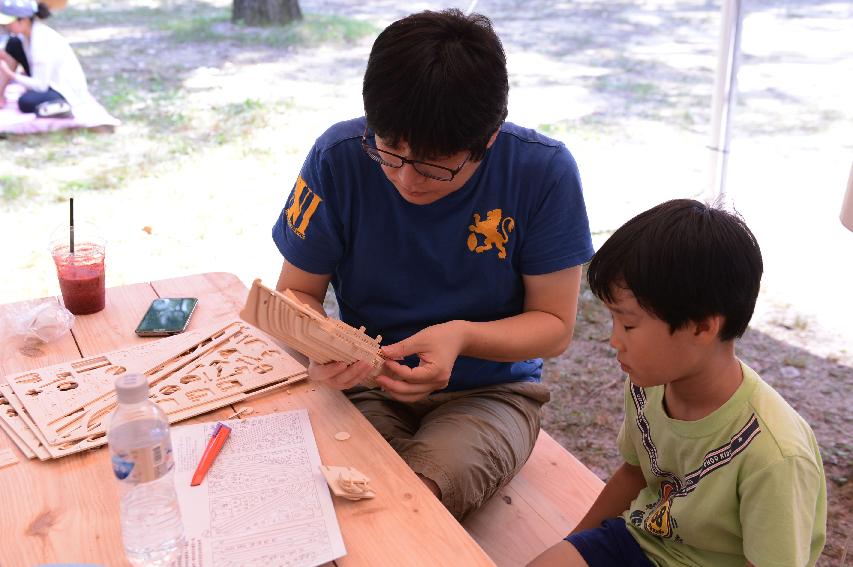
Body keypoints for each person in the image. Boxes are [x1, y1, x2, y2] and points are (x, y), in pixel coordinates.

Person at [272, 9, 594, 520]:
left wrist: (462, 336)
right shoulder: (338, 157)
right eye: (390, 153)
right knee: (347, 489)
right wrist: (321, 344)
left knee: (417, 498)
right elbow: (296, 293)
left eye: (434, 165)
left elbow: (554, 326)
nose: (406, 179)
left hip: (489, 392)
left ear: (487, 139)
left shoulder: (542, 172)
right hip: (368, 381)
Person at [529, 199, 826, 566]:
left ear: (702, 326)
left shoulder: (775, 454)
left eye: (629, 324)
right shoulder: (648, 383)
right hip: (640, 542)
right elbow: (634, 474)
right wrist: (574, 544)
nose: (614, 340)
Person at [0, 0, 91, 115]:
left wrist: (11, 74)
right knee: (13, 44)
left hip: (62, 90)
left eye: (8, 23)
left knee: (25, 102)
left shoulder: (41, 43)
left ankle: (61, 106)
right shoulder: (25, 37)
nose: (5, 26)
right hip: (45, 81)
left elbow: (40, 86)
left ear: (24, 20)